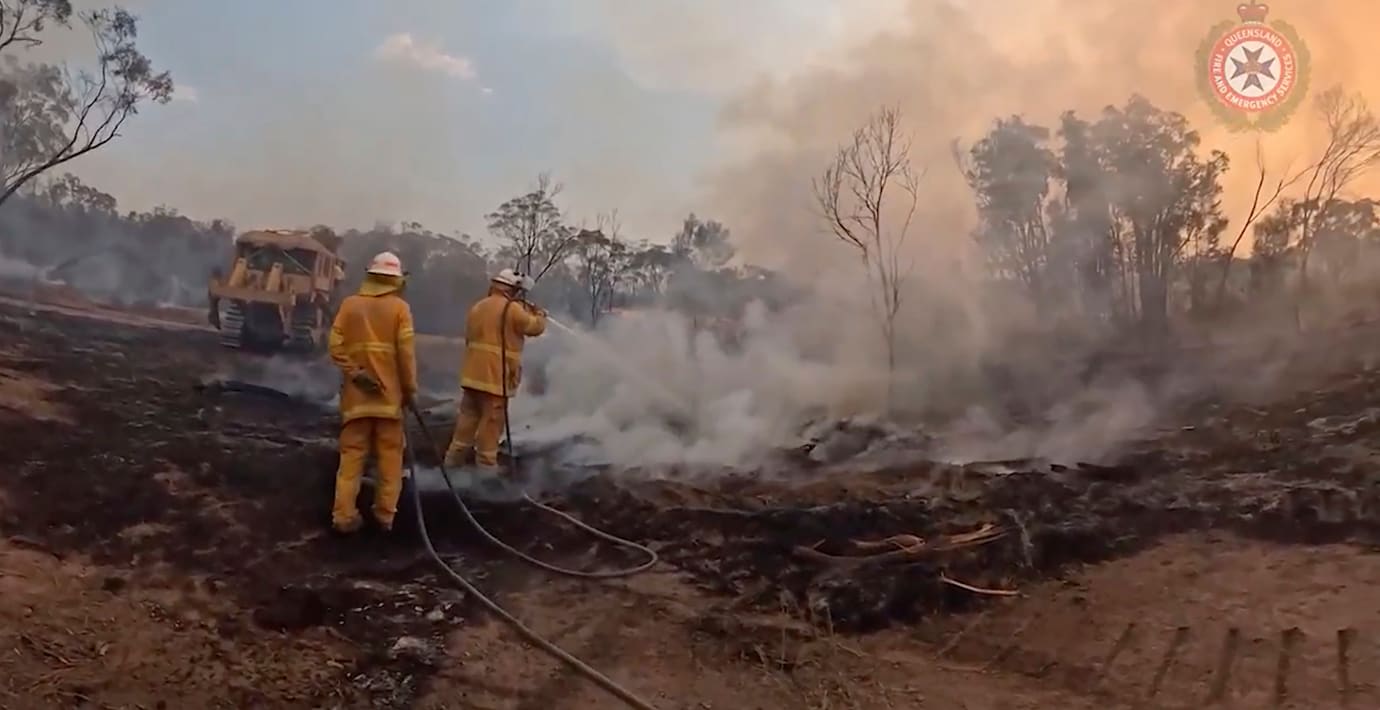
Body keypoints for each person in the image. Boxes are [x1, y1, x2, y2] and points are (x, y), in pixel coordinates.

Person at [327, 251, 419, 533]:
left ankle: (343, 517)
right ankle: (384, 516)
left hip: (356, 401)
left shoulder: (350, 305)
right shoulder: (400, 309)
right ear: (396, 280)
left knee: (351, 459)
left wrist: (355, 373)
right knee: (390, 460)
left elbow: (335, 346)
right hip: (389, 403)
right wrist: (409, 391)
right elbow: (406, 355)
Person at [444, 268, 547, 474]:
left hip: (472, 376)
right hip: (495, 378)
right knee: (491, 423)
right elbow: (533, 327)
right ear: (513, 289)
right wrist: (540, 315)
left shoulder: (478, 307)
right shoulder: (512, 309)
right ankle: (486, 469)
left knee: (466, 421)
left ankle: (452, 463)